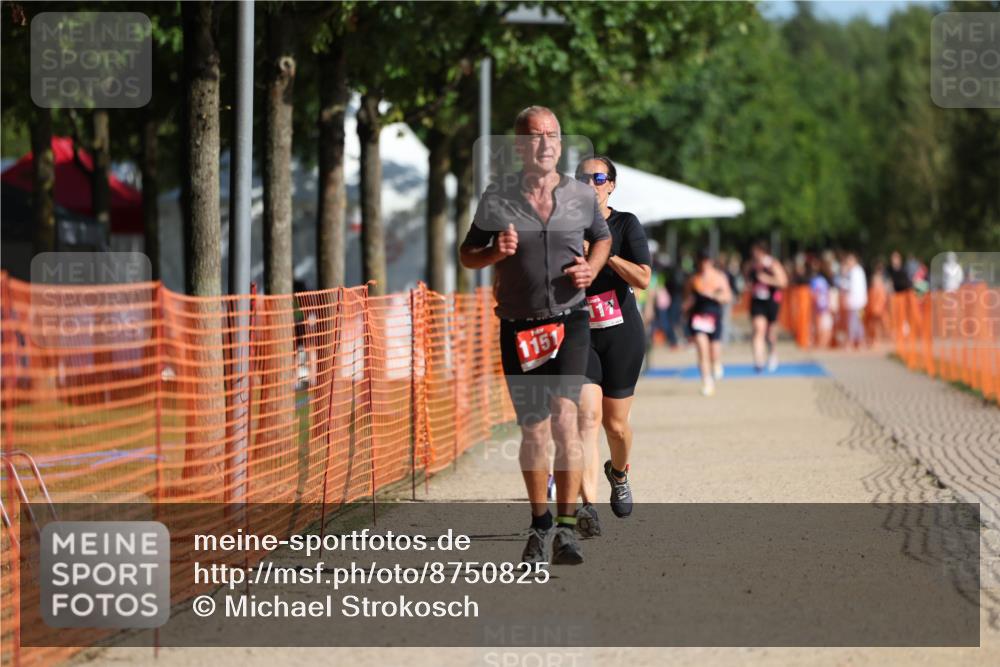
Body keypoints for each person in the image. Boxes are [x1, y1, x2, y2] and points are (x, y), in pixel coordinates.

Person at [459, 106, 611, 565]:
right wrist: (492, 252)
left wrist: (593, 267)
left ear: (561, 144)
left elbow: (601, 238)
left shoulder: (581, 197)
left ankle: (566, 530)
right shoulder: (497, 197)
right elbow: (467, 254)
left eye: (552, 135)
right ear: (520, 147)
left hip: (569, 320)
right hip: (519, 326)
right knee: (533, 428)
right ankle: (540, 523)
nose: (545, 144)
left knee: (565, 418)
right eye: (535, 137)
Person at [572, 156, 651, 537]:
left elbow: (644, 278)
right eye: (581, 177)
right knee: (587, 419)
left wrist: (605, 253)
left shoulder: (625, 223)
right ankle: (588, 507)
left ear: (611, 185)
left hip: (621, 333)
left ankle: (618, 473)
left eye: (597, 177)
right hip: (582, 334)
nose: (589, 182)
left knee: (615, 426)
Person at [684, 250, 732, 396]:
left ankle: (716, 363)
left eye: (707, 260)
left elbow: (728, 297)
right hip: (698, 318)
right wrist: (686, 308)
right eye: (702, 260)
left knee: (714, 352)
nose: (704, 263)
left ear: (711, 261)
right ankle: (706, 382)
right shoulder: (694, 279)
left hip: (714, 317)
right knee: (701, 349)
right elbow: (686, 299)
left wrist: (713, 295)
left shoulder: (719, 277)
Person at [747, 241, 788, 372]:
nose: (754, 254)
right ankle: (759, 362)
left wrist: (767, 279)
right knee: (759, 329)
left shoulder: (772, 264)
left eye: (757, 251)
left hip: (771, 301)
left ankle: (772, 354)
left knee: (770, 334)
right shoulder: (752, 266)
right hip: (757, 301)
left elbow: (783, 282)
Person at [842, 253, 868, 349]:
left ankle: (855, 341)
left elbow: (847, 286)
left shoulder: (855, 271)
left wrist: (844, 275)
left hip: (857, 303)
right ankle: (858, 341)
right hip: (856, 303)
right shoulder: (856, 271)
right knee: (856, 322)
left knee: (855, 322)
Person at [809, 257, 833, 349]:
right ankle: (822, 343)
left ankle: (821, 343)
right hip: (823, 305)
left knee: (822, 324)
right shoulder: (821, 279)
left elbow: (815, 293)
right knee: (823, 324)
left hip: (821, 305)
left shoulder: (818, 280)